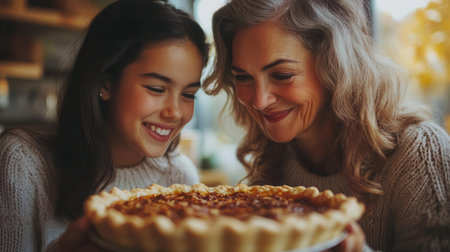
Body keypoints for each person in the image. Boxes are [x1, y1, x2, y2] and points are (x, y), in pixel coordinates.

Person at [204, 0, 450, 251]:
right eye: (243, 77)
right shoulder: (271, 160)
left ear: (334, 66)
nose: (259, 100)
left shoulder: (421, 154)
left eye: (282, 75)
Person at [0, 0, 209, 251]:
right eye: (156, 89)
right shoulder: (23, 161)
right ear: (105, 83)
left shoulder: (180, 176)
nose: (175, 112)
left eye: (188, 94)